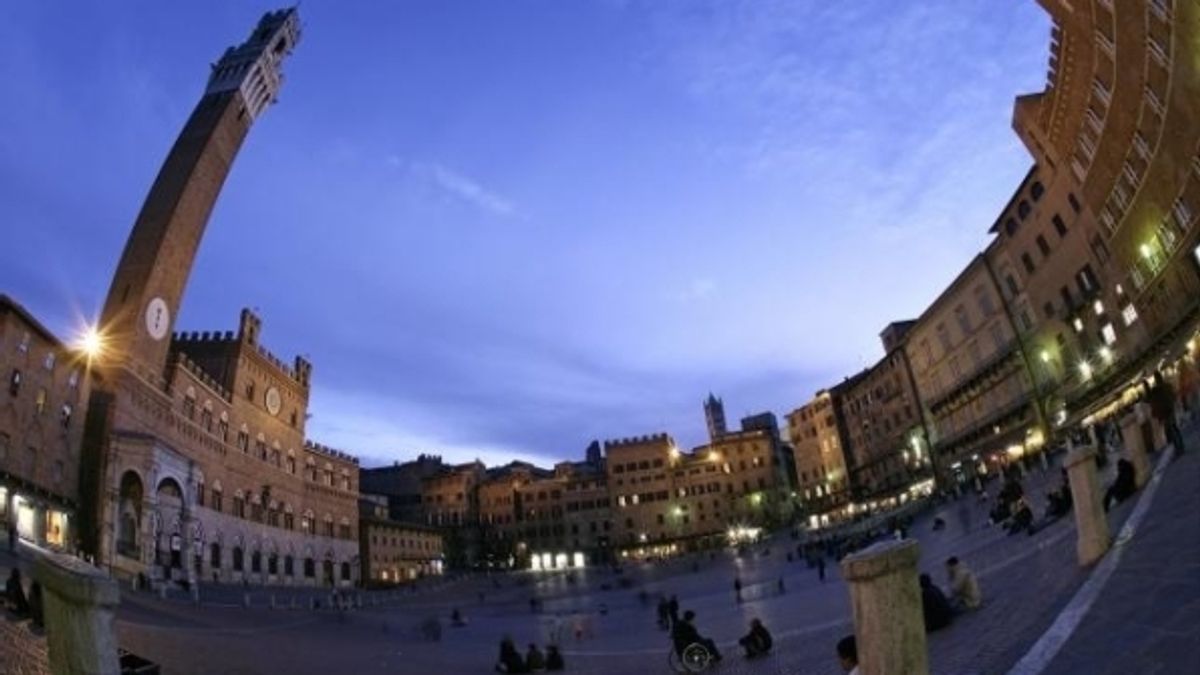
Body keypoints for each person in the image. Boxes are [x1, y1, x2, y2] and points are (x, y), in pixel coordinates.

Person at [1149, 372, 1185, 456]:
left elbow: (1156, 403)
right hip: (1170, 410)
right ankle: (1180, 446)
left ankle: (1178, 448)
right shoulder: (1167, 386)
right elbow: (1173, 396)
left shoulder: (1156, 390)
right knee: (1174, 428)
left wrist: (1156, 414)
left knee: (1170, 430)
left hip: (1165, 413)